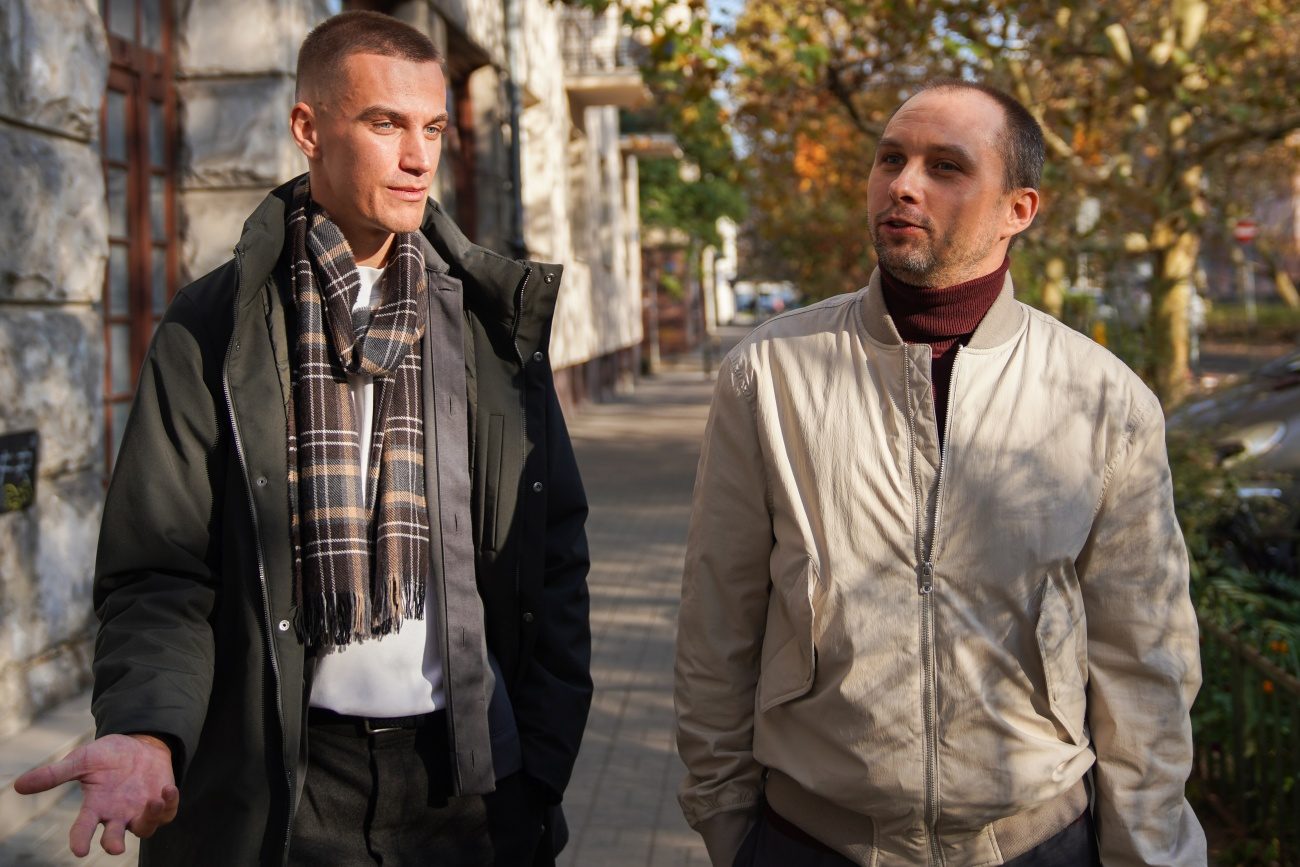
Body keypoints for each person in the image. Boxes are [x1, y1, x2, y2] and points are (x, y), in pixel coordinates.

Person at [14, 11, 591, 866]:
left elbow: (554, 551)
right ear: (308, 129)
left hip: (467, 784)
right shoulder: (216, 324)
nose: (419, 157)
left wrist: (540, 763)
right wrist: (147, 727)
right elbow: (160, 569)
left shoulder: (487, 324)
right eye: (385, 123)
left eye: (433, 128)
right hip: (279, 789)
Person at [674, 80, 1205, 866]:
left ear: (1018, 209)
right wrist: (726, 823)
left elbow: (1144, 660)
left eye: (945, 166)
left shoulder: (1102, 399)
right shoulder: (771, 373)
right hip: (811, 840)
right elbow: (718, 615)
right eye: (890, 159)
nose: (903, 184)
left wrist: (1148, 850)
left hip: (1033, 843)